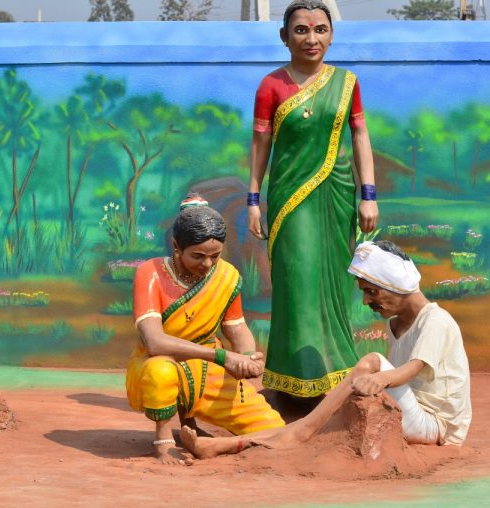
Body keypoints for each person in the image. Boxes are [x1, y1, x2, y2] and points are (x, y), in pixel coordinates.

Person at [181, 240, 472, 458]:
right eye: (365, 293)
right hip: (412, 415)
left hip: (437, 428)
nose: (367, 302)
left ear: (396, 286)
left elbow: (412, 369)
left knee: (370, 362)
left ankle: (301, 430)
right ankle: (226, 445)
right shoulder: (395, 324)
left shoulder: (436, 320)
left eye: (373, 291)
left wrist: (380, 377)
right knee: (327, 419)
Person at [246, 0, 379, 398]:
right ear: (284, 37)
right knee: (297, 280)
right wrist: (253, 198)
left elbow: (359, 138)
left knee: (334, 284)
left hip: (338, 196)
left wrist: (367, 195)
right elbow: (259, 144)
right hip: (291, 197)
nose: (311, 38)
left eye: (320, 29)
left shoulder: (347, 83)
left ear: (332, 35)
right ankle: (295, 381)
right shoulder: (271, 85)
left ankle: (334, 374)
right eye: (301, 30)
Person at [126, 194, 285, 465]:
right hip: (157, 366)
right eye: (197, 256)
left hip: (206, 374)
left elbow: (236, 327)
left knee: (274, 431)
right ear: (176, 246)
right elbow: (154, 342)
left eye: (215, 256)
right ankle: (164, 440)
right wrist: (224, 358)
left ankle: (212, 445)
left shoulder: (227, 276)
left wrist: (247, 355)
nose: (207, 264)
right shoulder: (150, 273)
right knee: (160, 369)